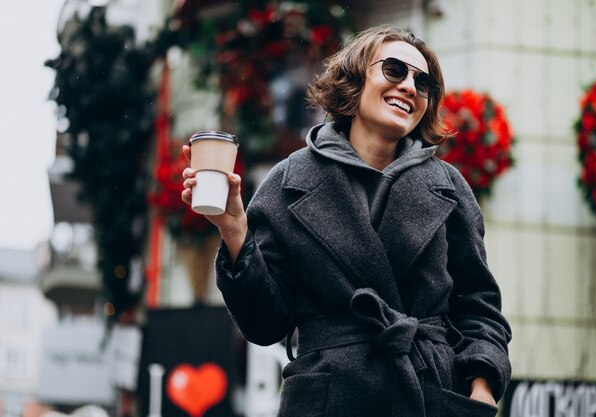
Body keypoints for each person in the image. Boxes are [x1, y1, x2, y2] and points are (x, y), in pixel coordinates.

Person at [181, 25, 511, 417]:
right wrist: (234, 229)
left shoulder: (448, 187)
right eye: (394, 70)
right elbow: (265, 323)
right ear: (354, 80)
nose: (409, 86)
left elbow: (479, 306)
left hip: (429, 393)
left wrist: (482, 389)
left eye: (423, 83)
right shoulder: (290, 181)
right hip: (328, 397)